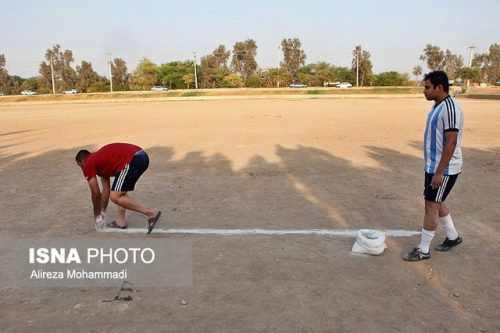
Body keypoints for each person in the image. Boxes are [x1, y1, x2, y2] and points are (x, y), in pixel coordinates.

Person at [403, 71, 464, 261]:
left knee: (431, 205)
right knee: (436, 201)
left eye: (427, 87)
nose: (424, 91)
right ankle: (452, 237)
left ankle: (423, 250)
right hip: (433, 166)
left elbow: (451, 143)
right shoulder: (438, 106)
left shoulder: (450, 108)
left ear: (439, 88)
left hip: (444, 169)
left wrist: (439, 172)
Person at [75, 143, 161, 234]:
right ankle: (121, 221)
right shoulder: (99, 161)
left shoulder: (88, 163)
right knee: (119, 191)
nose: (82, 170)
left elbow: (96, 193)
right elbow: (105, 190)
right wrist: (103, 213)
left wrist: (97, 216)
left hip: (134, 159)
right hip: (139, 155)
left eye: (80, 166)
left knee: (115, 196)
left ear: (82, 162)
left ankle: (151, 213)